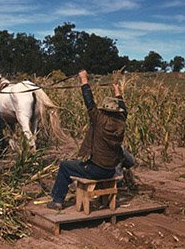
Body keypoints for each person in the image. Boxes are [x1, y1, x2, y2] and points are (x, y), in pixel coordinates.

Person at [47, 70, 128, 210]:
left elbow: (89, 101)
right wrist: (117, 90)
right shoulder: (121, 121)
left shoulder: (99, 120)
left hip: (97, 170)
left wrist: (84, 79)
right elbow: (124, 108)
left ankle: (57, 201)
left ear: (104, 110)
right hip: (111, 169)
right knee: (75, 165)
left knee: (65, 166)